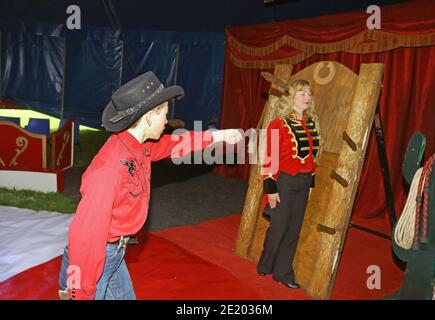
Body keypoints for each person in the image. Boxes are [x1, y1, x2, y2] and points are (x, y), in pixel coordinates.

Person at [58, 71, 243, 300]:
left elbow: (174, 144)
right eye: (164, 115)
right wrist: (81, 293)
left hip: (114, 253)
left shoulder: (138, 144)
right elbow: (85, 235)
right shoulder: (109, 169)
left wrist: (218, 136)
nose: (167, 122)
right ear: (148, 118)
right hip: (93, 262)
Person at [257, 79, 321, 289]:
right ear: (291, 97)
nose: (307, 97)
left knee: (294, 230)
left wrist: (311, 183)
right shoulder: (279, 123)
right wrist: (271, 188)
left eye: (309, 94)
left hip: (303, 182)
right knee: (279, 227)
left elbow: (312, 157)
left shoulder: (311, 123)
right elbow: (270, 157)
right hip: (283, 181)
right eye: (302, 93)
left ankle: (283, 272)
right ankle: (266, 262)